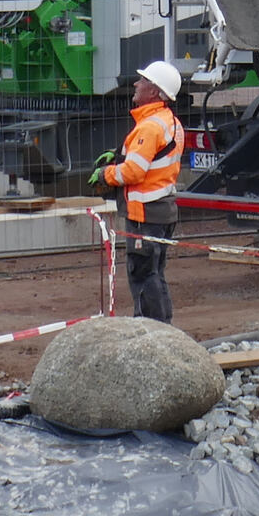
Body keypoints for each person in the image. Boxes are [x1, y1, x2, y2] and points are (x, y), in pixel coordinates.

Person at [97, 59, 185, 322]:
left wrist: (105, 174)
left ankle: (152, 332)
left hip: (145, 214)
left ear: (155, 92)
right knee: (155, 273)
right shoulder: (168, 121)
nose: (136, 84)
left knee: (144, 275)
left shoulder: (149, 126)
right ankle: (163, 330)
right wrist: (119, 155)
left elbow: (133, 172)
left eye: (143, 81)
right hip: (161, 212)